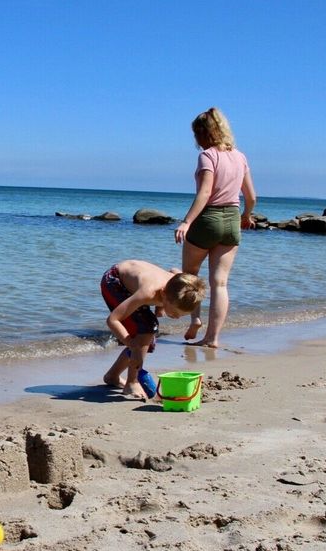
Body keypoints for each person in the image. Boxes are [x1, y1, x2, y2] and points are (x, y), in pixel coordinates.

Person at [174, 107, 257, 348]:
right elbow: (251, 196)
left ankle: (196, 319)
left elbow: (205, 192)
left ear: (203, 133)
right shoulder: (240, 157)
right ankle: (212, 338)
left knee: (190, 277)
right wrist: (246, 215)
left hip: (208, 218)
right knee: (220, 283)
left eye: (195, 134)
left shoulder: (208, 156)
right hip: (232, 220)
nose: (195, 141)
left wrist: (186, 222)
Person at [101, 260, 206, 399]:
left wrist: (160, 307)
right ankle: (132, 382)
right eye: (175, 313)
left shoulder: (181, 284)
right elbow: (113, 320)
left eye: (182, 315)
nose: (177, 317)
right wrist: (132, 345)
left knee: (147, 340)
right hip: (114, 281)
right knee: (146, 329)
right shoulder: (148, 292)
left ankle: (112, 376)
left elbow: (174, 270)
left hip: (137, 279)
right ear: (163, 295)